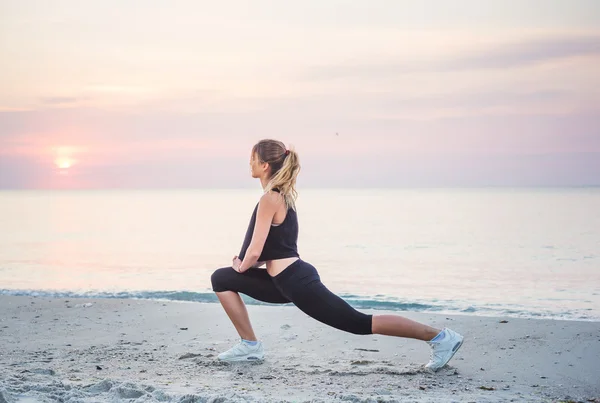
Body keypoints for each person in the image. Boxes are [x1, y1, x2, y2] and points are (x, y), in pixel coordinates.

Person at [210, 139, 463, 371]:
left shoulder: (271, 198)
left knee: (359, 323)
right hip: (281, 282)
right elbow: (273, 250)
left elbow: (255, 252)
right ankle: (250, 347)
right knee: (221, 279)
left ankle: (441, 337)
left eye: (252, 159)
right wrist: (242, 266)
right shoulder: (281, 198)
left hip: (296, 282)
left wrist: (241, 265)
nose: (249, 164)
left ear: (264, 165)